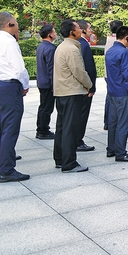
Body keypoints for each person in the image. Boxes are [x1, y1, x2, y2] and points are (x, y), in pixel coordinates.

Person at [0, 12, 30, 182]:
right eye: (16, 22)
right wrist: (25, 85)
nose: (18, 25)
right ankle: (7, 169)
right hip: (9, 86)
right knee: (10, 128)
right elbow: (19, 69)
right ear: (10, 24)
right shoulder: (9, 42)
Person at [53, 19, 93, 173]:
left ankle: (60, 158)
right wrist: (89, 84)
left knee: (62, 127)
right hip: (71, 92)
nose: (80, 31)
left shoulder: (63, 46)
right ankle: (69, 163)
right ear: (72, 32)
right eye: (77, 28)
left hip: (63, 91)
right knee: (70, 128)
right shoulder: (71, 48)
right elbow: (79, 71)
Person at [104, 25, 128, 162]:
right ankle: (120, 152)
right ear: (126, 37)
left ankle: (111, 149)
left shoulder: (111, 51)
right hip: (123, 92)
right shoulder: (123, 53)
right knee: (124, 123)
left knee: (113, 122)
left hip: (112, 91)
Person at [76, 20, 97, 152]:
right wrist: (91, 86)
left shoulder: (78, 44)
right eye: (89, 28)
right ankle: (78, 140)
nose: (90, 31)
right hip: (84, 87)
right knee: (82, 115)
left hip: (78, 86)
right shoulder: (83, 44)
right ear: (83, 30)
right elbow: (88, 68)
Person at [35, 24, 56, 140]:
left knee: (43, 106)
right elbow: (51, 69)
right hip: (47, 83)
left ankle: (41, 128)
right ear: (50, 34)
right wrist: (54, 84)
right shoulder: (50, 48)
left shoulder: (41, 46)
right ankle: (43, 130)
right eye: (54, 32)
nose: (55, 34)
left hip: (42, 81)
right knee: (47, 107)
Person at [103, 20, 123, 130]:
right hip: (114, 75)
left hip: (109, 74)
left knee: (110, 98)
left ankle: (108, 122)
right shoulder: (115, 42)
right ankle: (110, 121)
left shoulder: (109, 40)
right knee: (112, 99)